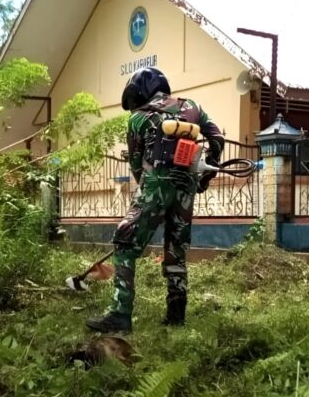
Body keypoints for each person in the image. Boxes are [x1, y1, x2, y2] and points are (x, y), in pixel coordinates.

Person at [86, 67, 224, 333]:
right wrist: (205, 177)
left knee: (124, 241)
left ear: (141, 91)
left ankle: (120, 314)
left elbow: (137, 165)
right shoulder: (192, 107)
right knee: (176, 249)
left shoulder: (138, 118)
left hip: (155, 184)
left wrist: (150, 198)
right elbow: (217, 138)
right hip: (186, 187)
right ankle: (176, 315)